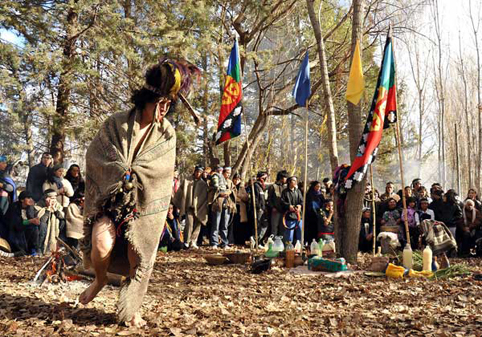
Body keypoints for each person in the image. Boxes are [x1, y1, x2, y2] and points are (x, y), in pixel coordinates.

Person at [78, 58, 200, 326]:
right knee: (99, 247)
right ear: (147, 99)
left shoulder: (167, 134)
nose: (164, 109)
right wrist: (121, 170)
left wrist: (137, 175)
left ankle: (131, 307)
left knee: (138, 257)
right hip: (111, 202)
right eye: (160, 103)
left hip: (143, 208)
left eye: (169, 104)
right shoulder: (116, 123)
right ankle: (100, 280)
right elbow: (95, 156)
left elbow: (161, 171)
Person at [173, 165, 208, 249]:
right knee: (189, 224)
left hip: (200, 208)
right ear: (194, 171)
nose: (198, 174)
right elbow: (180, 192)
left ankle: (193, 241)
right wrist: (176, 202)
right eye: (197, 172)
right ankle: (186, 241)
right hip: (189, 207)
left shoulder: (203, 184)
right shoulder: (187, 181)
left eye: (200, 172)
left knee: (198, 225)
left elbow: (205, 197)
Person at [4, 191, 40, 256]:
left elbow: (31, 218)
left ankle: (33, 249)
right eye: (28, 198)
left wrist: (35, 221)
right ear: (22, 200)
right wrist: (30, 221)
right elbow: (16, 224)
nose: (31, 200)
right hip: (13, 230)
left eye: (31, 198)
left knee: (35, 228)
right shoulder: (14, 207)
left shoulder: (30, 207)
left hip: (24, 228)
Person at [37, 189, 65, 254]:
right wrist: (48, 209)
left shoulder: (58, 206)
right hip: (42, 228)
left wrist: (55, 210)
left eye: (55, 198)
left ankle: (56, 247)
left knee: (62, 222)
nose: (53, 200)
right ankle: (40, 248)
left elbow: (61, 216)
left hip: (55, 227)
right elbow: (42, 219)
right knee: (43, 226)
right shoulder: (39, 205)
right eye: (51, 198)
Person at [246, 171, 268, 243]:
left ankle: (257, 240)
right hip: (258, 209)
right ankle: (254, 240)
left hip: (263, 209)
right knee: (257, 225)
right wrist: (259, 207)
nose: (265, 179)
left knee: (264, 225)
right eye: (264, 177)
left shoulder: (262, 186)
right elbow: (255, 198)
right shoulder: (256, 186)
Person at [280, 176, 303, 244]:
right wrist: (288, 206)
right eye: (293, 180)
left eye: (296, 180)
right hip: (289, 216)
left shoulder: (298, 191)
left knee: (300, 231)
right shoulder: (285, 192)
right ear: (289, 182)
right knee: (289, 233)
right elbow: (282, 202)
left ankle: (300, 247)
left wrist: (300, 205)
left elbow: (301, 201)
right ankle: (288, 247)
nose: (295, 182)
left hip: (298, 215)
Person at [267, 170, 288, 237]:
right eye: (285, 177)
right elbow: (269, 199)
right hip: (275, 210)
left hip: (284, 211)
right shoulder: (273, 186)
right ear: (281, 178)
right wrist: (272, 207)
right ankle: (272, 243)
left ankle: (281, 243)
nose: (286, 179)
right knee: (274, 227)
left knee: (283, 228)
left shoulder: (286, 187)